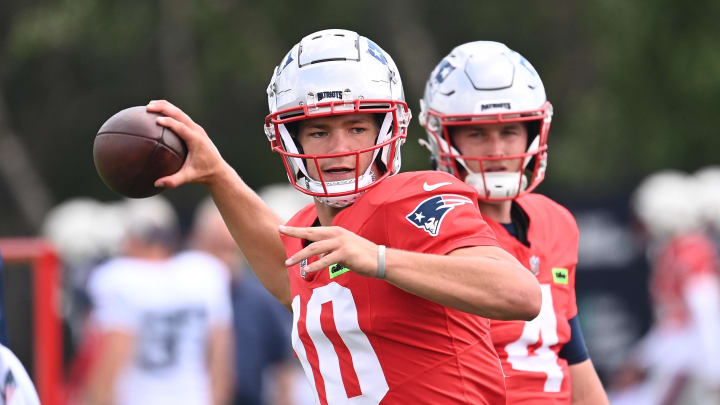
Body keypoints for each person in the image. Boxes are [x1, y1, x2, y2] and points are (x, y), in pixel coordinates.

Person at [146, 28, 541, 404]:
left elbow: (519, 293)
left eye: (356, 128)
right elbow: (286, 275)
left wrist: (379, 259)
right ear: (288, 139)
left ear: (387, 130)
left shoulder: (412, 197)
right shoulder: (309, 228)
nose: (339, 148)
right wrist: (217, 175)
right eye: (319, 132)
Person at [419, 41, 608, 404]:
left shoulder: (556, 221)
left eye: (509, 132)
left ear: (534, 132)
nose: (497, 151)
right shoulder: (426, 221)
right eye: (477, 133)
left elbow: (572, 351)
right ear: (442, 136)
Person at [84, 196, 233, 405]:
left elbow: (110, 367)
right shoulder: (205, 273)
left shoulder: (120, 278)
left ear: (135, 239)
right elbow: (220, 362)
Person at [609, 170, 720, 405]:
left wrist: (714, 371)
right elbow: (674, 321)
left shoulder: (691, 251)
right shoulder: (673, 252)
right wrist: (640, 359)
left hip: (689, 361)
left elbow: (705, 310)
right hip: (682, 358)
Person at [189, 195, 301, 405]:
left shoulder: (260, 300)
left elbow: (283, 369)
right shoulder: (179, 297)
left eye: (231, 249)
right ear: (197, 242)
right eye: (217, 247)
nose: (225, 259)